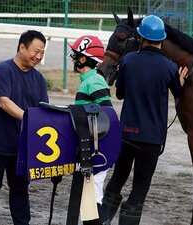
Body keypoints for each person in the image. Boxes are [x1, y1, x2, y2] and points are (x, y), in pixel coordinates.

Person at [101, 15, 188, 225]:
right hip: (152, 139)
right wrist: (181, 81)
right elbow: (178, 93)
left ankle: (103, 220)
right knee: (139, 188)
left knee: (117, 180)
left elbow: (120, 93)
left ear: (140, 37)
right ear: (162, 39)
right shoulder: (168, 67)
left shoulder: (128, 61)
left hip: (126, 135)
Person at [0, 30, 48, 225]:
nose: (38, 57)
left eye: (42, 53)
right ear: (22, 47)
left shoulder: (39, 80)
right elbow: (4, 102)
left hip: (22, 146)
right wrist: (29, 118)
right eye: (35, 51)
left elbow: (43, 110)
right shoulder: (2, 71)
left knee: (20, 189)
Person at [69, 35, 112, 225]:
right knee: (88, 200)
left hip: (98, 148)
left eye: (76, 55)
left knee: (92, 200)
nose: (73, 59)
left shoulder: (94, 81)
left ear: (83, 58)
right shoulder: (90, 80)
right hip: (93, 146)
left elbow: (106, 117)